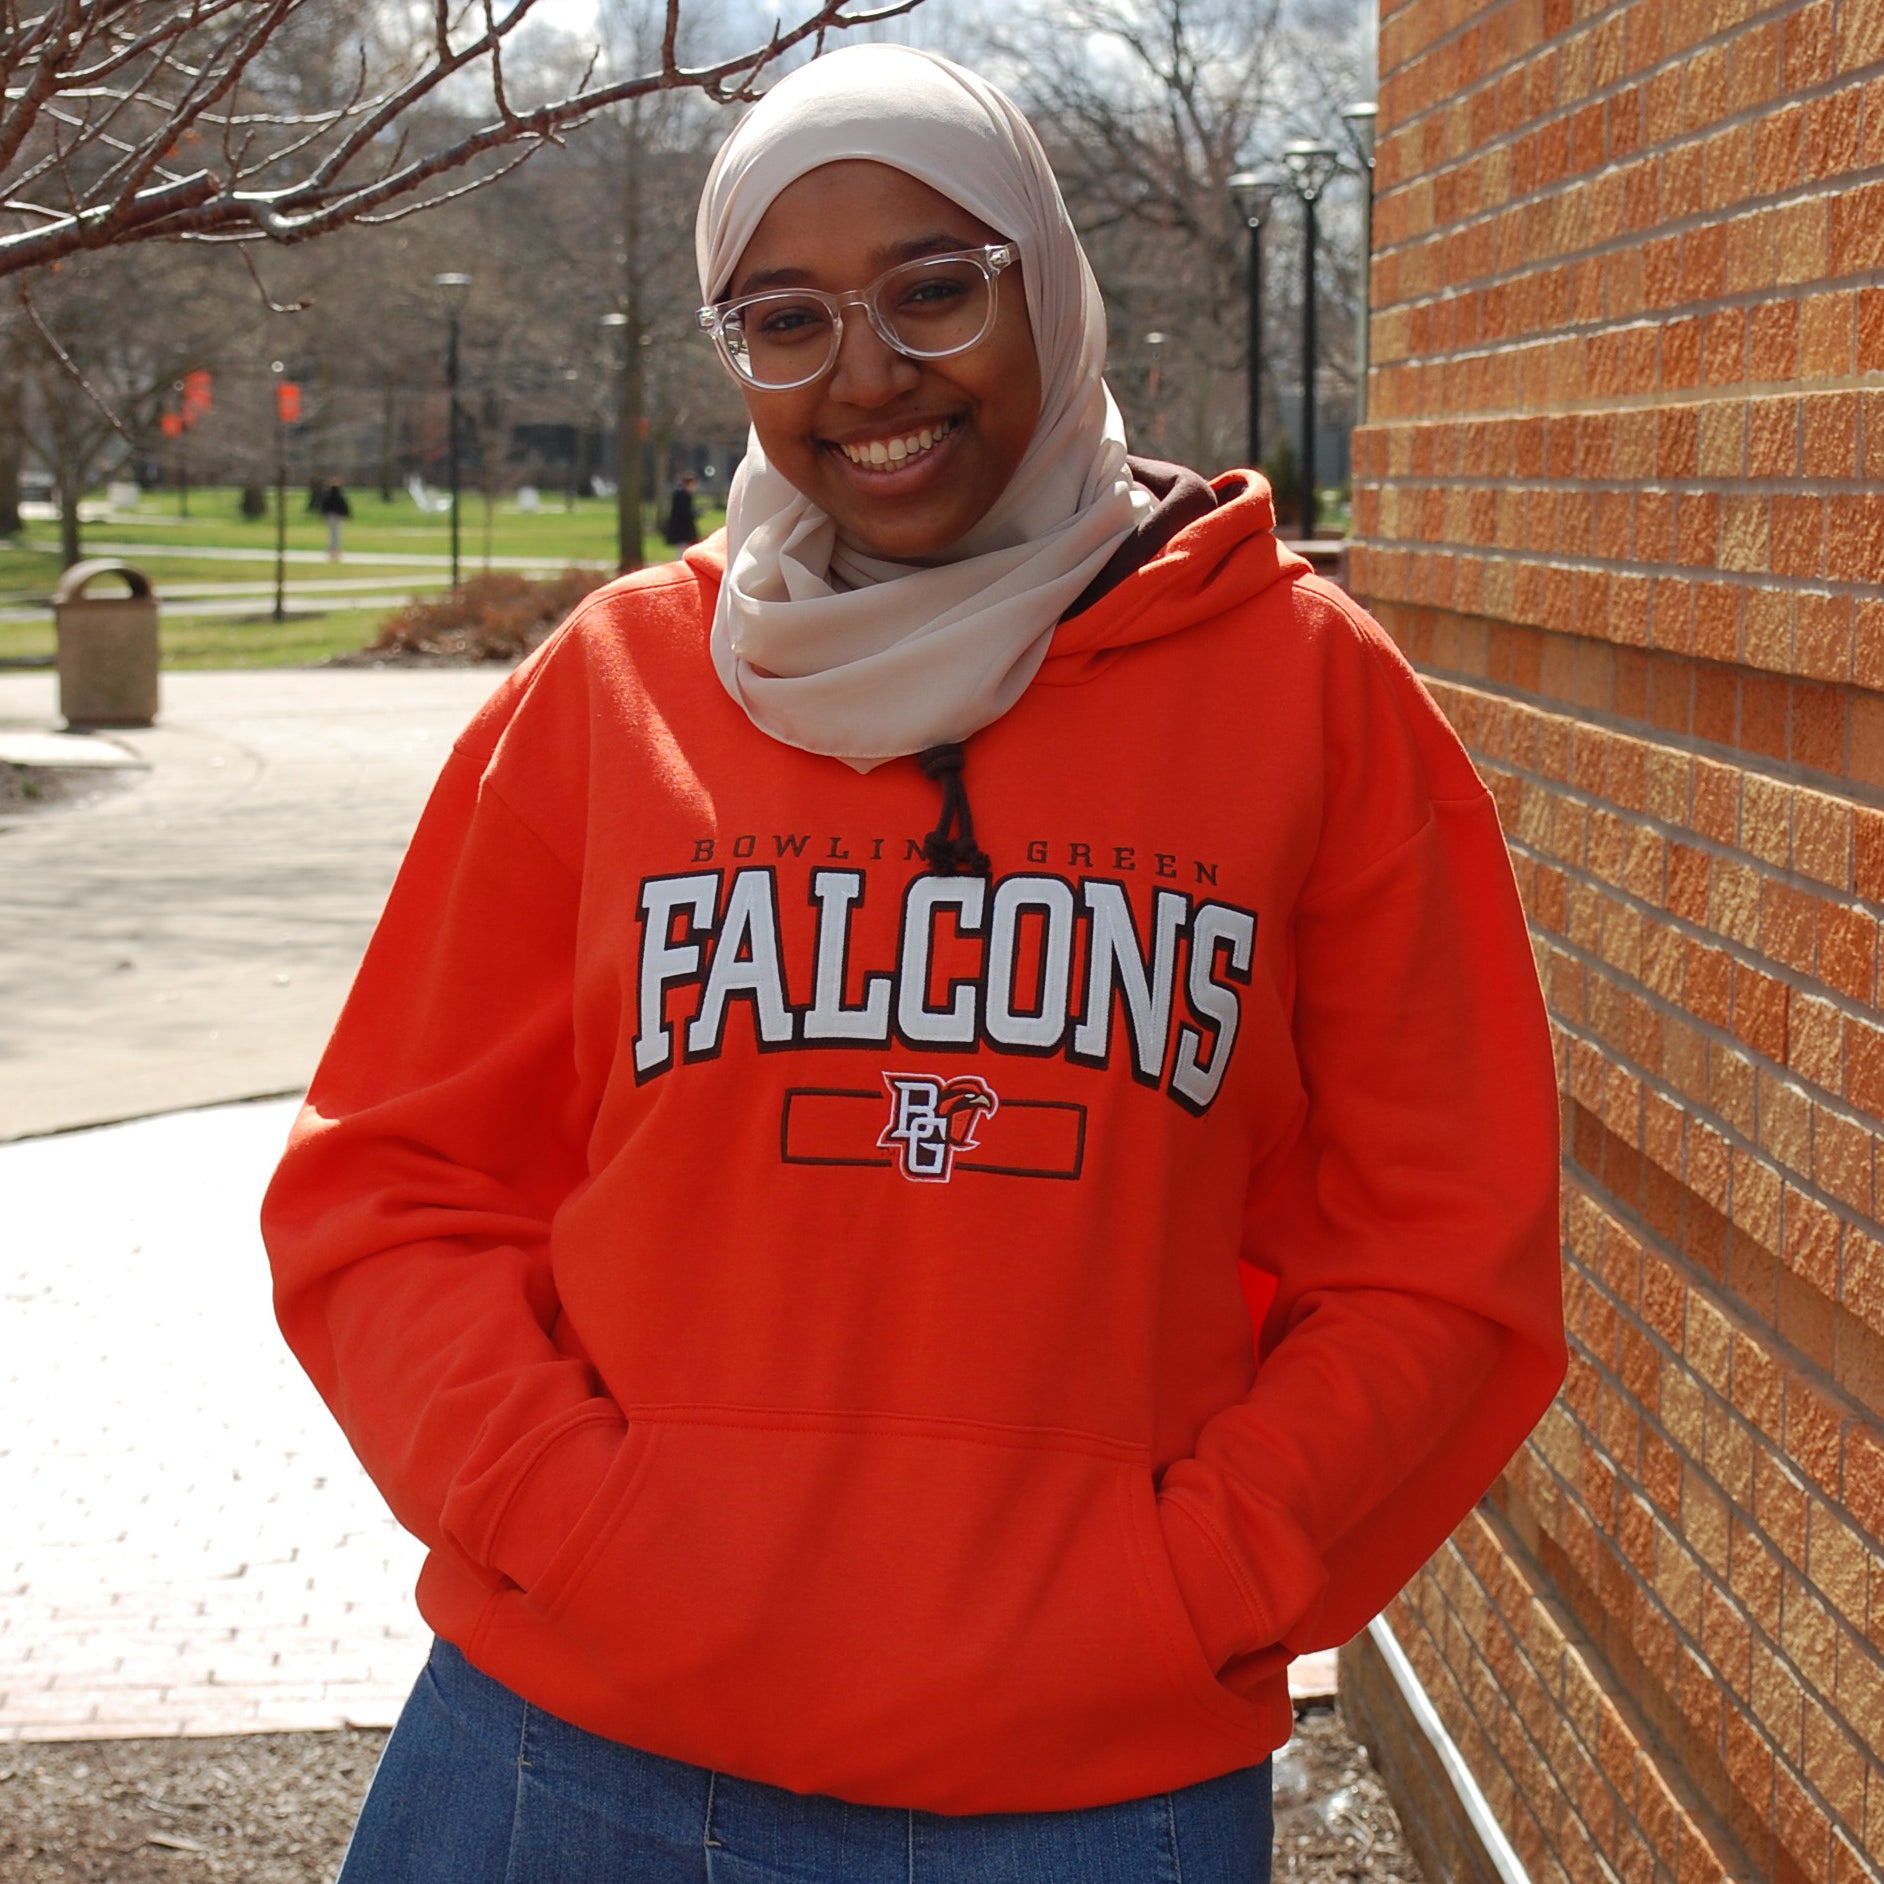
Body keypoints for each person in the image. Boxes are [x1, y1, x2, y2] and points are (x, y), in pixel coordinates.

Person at [261, 45, 1566, 1884]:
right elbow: (390, 1190)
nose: (866, 375)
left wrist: (1199, 1575)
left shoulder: (1305, 694)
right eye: (784, 320)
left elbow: (1444, 1243)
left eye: (933, 289)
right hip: (578, 1747)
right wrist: (570, 1517)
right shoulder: (613, 692)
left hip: (1086, 1792)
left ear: (1049, 284)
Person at [663, 470, 702, 547]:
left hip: (682, 531)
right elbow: (684, 513)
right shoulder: (682, 495)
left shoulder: (682, 494)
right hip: (682, 531)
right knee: (682, 548)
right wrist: (695, 513)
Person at [317, 478, 351, 560]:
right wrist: (346, 515)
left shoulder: (327, 496)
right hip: (338, 517)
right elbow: (344, 507)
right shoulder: (340, 496)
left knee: (331, 534)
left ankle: (330, 550)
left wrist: (322, 515)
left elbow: (324, 507)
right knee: (337, 534)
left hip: (329, 517)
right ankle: (336, 550)